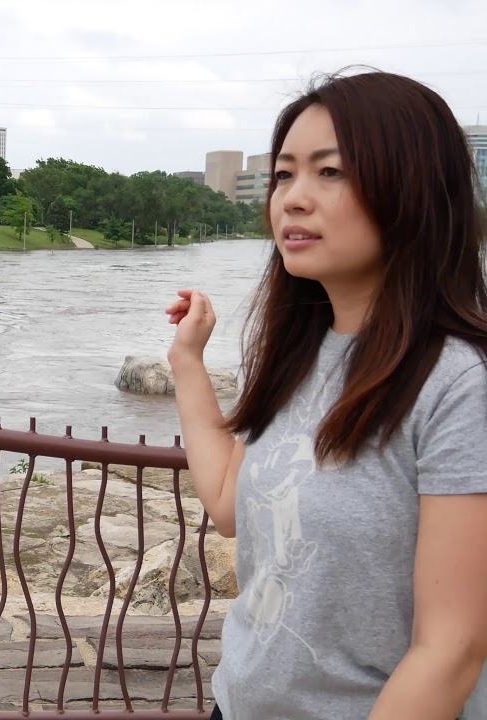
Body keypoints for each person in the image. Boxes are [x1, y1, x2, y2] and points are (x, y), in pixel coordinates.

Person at [166, 69, 487, 719]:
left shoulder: (459, 383)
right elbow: (231, 504)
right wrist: (188, 363)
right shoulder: (299, 353)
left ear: (414, 189)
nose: (292, 199)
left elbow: (450, 650)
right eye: (284, 174)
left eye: (330, 172)